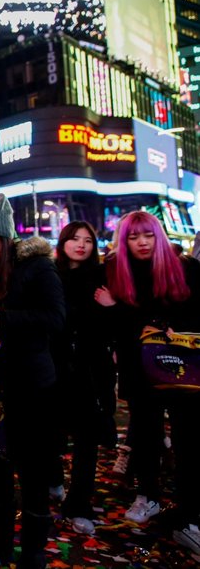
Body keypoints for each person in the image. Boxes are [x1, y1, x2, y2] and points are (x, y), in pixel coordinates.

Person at [0, 194, 65, 569]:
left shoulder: (38, 268)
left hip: (32, 388)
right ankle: (1, 544)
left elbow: (54, 319)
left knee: (33, 470)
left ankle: (34, 551)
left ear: (3, 237)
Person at [94, 211, 200, 554]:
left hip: (183, 369)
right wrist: (118, 310)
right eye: (133, 237)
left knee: (188, 440)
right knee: (145, 435)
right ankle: (149, 496)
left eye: (148, 236)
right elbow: (117, 329)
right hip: (138, 369)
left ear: (159, 236)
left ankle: (189, 510)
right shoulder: (115, 272)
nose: (142, 243)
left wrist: (127, 310)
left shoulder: (185, 268)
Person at [47, 221, 115, 536]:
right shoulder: (49, 276)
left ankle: (79, 504)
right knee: (51, 435)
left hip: (90, 371)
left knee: (87, 442)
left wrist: (110, 307)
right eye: (75, 238)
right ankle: (54, 480)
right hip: (54, 369)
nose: (82, 245)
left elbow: (111, 329)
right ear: (63, 242)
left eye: (88, 240)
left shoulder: (102, 279)